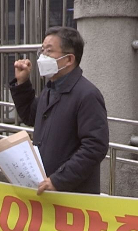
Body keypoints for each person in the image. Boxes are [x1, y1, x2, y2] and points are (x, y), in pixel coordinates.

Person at [10, 26, 109, 195]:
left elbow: (94, 147)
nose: (42, 57)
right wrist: (22, 84)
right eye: (42, 51)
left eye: (49, 51)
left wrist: (59, 180)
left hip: (73, 194)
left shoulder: (87, 94)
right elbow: (31, 116)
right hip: (46, 188)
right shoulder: (51, 88)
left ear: (69, 59)